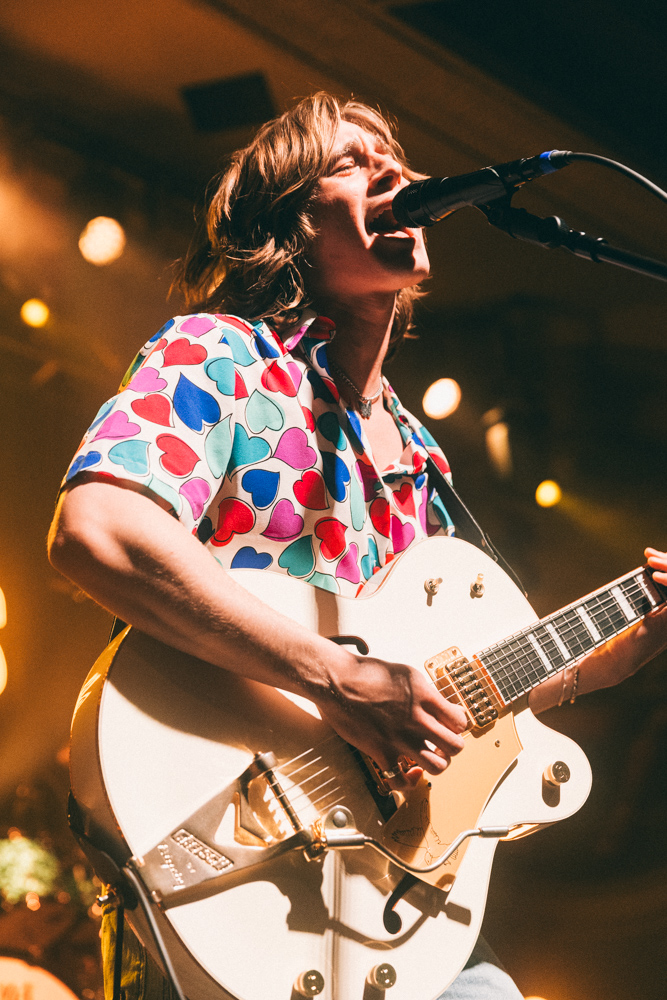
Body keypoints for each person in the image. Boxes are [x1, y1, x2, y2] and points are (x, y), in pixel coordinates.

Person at [48, 92, 667, 1000]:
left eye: (397, 160)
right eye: (352, 162)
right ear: (288, 223)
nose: (396, 174)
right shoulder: (222, 356)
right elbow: (98, 529)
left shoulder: (417, 452)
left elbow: (436, 685)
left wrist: (598, 660)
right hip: (218, 835)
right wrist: (335, 679)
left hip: (380, 881)